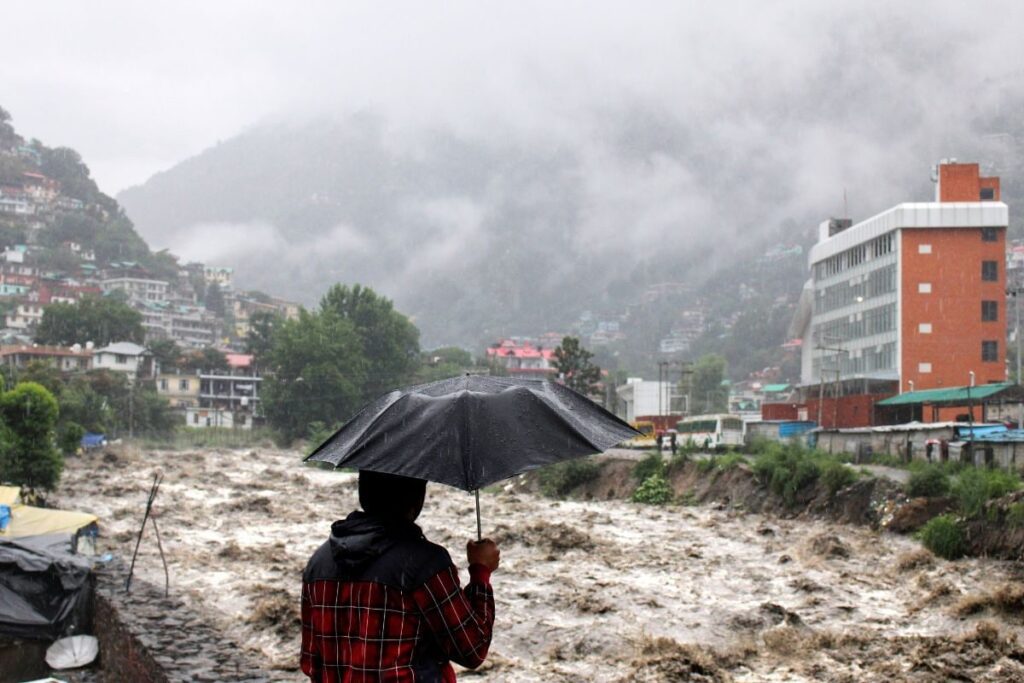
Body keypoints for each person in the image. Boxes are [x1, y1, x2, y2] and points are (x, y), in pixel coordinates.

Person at [301, 470, 499, 682]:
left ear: (363, 492)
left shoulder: (318, 563)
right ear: (417, 498)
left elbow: (311, 662)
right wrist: (480, 572)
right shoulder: (426, 564)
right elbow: (472, 648)